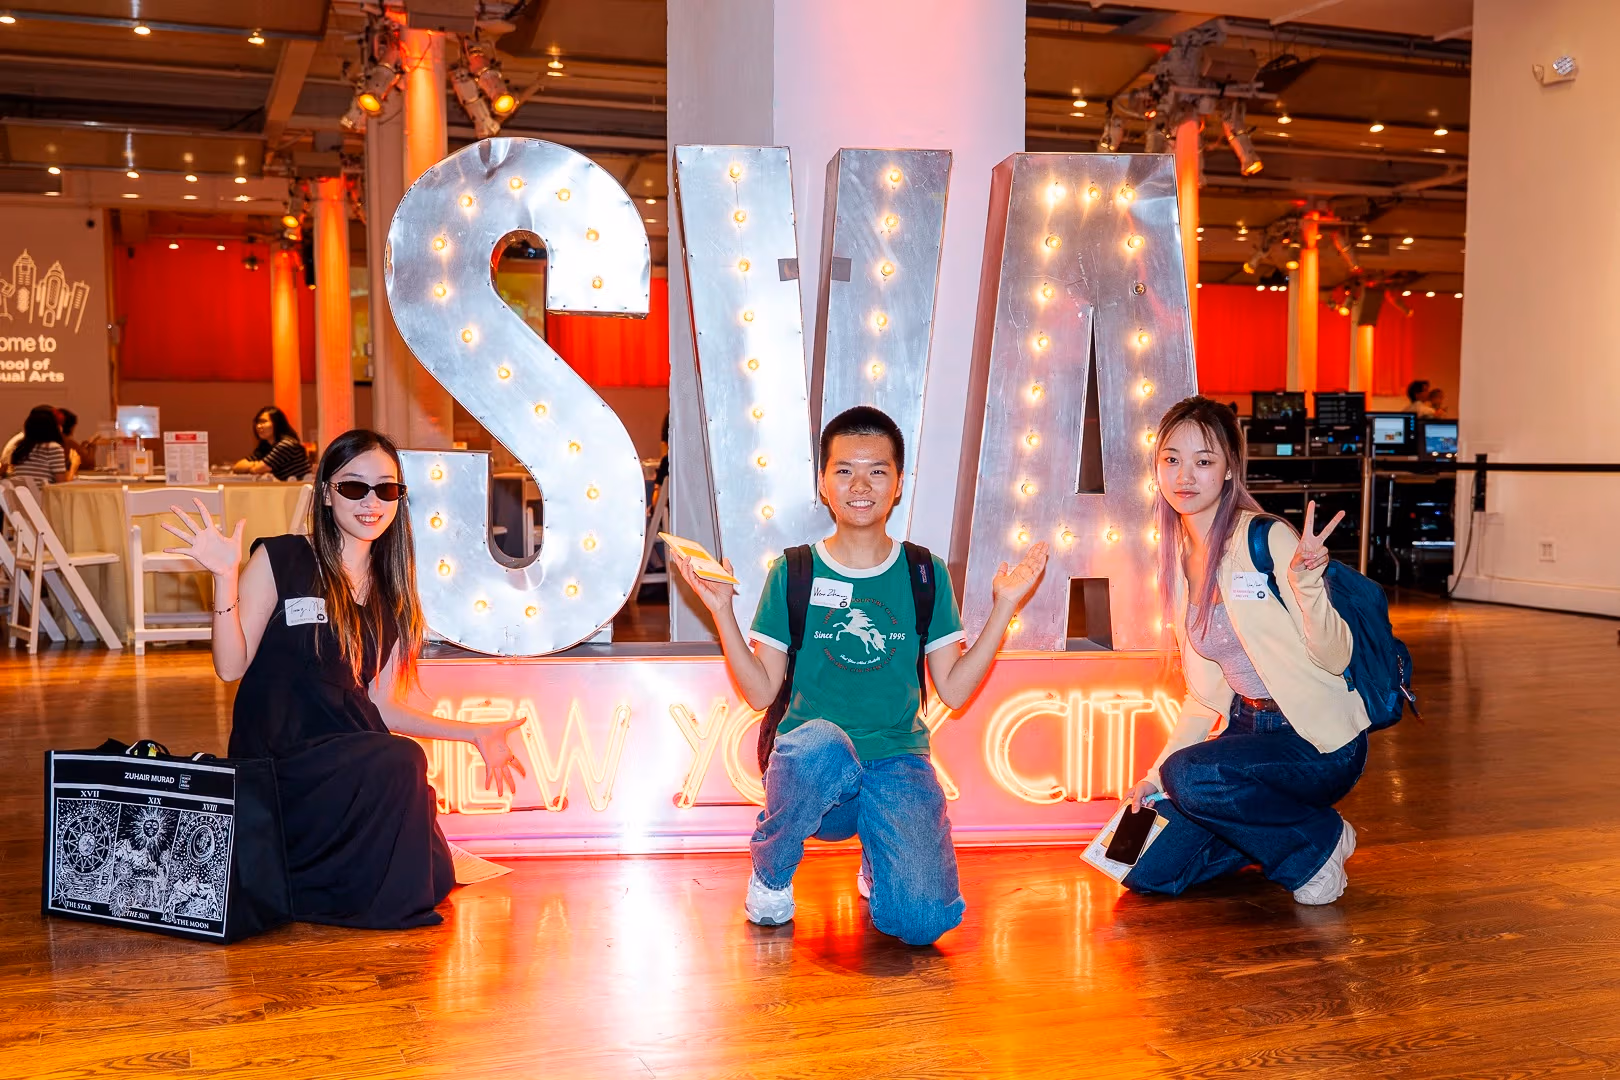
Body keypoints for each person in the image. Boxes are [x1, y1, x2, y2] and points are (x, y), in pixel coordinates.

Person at [670, 406, 1048, 945]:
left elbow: (956, 690)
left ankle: (881, 855)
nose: (860, 485)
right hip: (814, 772)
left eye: (877, 470)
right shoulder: (795, 570)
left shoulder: (924, 572)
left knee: (922, 924)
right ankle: (770, 874)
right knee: (819, 743)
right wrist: (722, 612)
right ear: (824, 484)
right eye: (844, 470)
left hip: (897, 759)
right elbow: (759, 690)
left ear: (897, 484)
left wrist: (1004, 608)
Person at [162, 429, 526, 928]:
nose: (371, 502)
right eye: (354, 488)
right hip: (280, 762)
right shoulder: (283, 559)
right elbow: (230, 666)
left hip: (354, 760)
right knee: (402, 766)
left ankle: (334, 886)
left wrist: (474, 733)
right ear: (328, 493)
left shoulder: (395, 595)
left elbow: (382, 706)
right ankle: (367, 902)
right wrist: (224, 578)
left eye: (387, 489)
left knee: (432, 861)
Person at [1121, 396, 1370, 905]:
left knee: (1190, 776)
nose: (1184, 475)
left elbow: (1336, 658)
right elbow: (1203, 700)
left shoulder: (1266, 537)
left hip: (1314, 741)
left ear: (1230, 470)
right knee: (1141, 867)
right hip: (1247, 735)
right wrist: (1152, 778)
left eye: (1204, 461)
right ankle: (1287, 827)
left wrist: (1308, 586)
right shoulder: (1178, 560)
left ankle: (1314, 846)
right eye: (1172, 459)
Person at [233, 406, 310, 481]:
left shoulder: (286, 444)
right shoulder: (266, 447)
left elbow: (257, 470)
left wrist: (258, 465)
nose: (259, 426)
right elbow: (237, 467)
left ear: (276, 423)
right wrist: (257, 463)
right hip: (285, 490)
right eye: (257, 422)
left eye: (263, 422)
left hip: (297, 491)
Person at [3, 405, 75, 485]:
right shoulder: (52, 448)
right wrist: (74, 466)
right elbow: (61, 484)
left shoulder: (21, 447)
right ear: (53, 427)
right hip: (41, 495)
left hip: (22, 495)